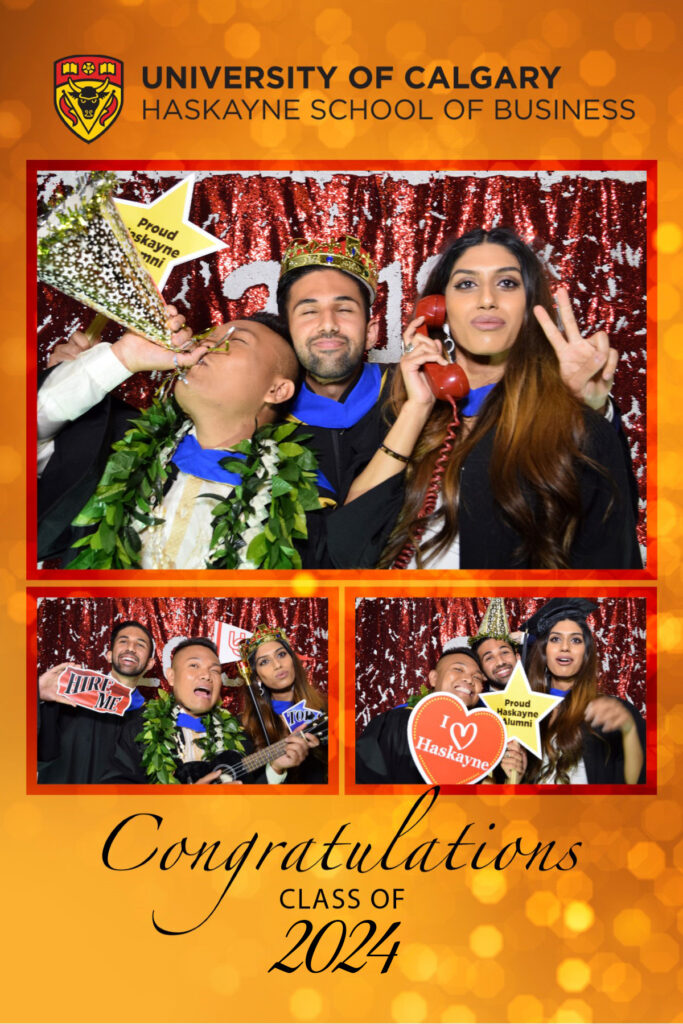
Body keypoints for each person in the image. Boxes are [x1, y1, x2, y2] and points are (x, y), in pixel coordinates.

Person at [364, 227, 642, 570]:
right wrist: (417, 408)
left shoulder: (573, 426)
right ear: (438, 309)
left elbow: (613, 558)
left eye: (507, 283)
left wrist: (592, 412)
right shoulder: (397, 408)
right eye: (466, 284)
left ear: (529, 307)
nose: (487, 299)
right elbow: (348, 548)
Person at [37, 308, 385, 570]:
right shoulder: (116, 447)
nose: (203, 348)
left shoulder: (300, 509)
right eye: (206, 339)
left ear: (277, 389)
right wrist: (122, 358)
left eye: (233, 343)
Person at [101, 638, 316, 784]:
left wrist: (276, 769)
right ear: (171, 676)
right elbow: (116, 796)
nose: (206, 675)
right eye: (194, 666)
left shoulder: (241, 733)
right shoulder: (138, 729)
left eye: (215, 671)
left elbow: (258, 800)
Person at [356, 648, 525, 784]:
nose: (469, 679)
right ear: (434, 678)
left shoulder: (487, 743)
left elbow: (490, 808)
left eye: (477, 677)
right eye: (458, 669)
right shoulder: (396, 723)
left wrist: (511, 779)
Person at [522, 599, 646, 784]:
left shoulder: (611, 712)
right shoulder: (524, 712)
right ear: (544, 651)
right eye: (555, 639)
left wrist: (628, 730)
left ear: (585, 654)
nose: (565, 647)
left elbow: (636, 784)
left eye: (576, 640)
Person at [38, 619, 155, 784]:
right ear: (108, 655)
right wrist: (35, 695)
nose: (130, 648)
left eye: (140, 645)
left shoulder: (151, 719)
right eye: (123, 641)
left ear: (150, 664)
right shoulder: (67, 696)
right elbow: (32, 750)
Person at [239, 624, 328, 783]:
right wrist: (275, 768)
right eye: (264, 662)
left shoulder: (326, 709)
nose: (277, 665)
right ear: (257, 677)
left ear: (292, 659)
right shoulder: (246, 726)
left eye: (281, 654)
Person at [468, 597, 520, 691]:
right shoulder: (475, 705)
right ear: (482, 674)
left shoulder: (546, 698)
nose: (500, 662)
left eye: (504, 652)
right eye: (489, 658)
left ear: (518, 658)